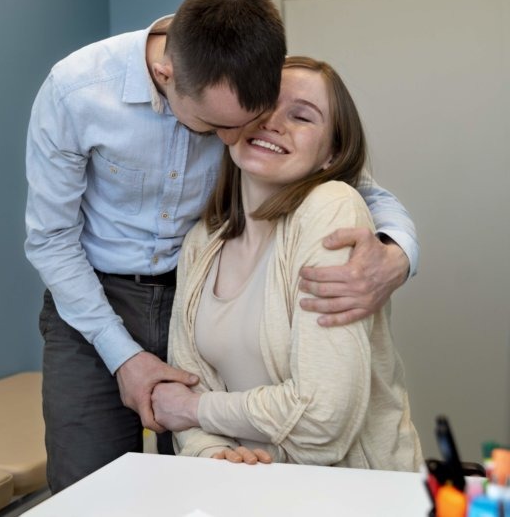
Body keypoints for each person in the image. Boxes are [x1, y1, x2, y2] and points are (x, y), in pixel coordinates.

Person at [24, 0, 420, 491]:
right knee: (89, 487)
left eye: (250, 119)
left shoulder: (251, 83)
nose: (246, 135)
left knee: (189, 490)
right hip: (95, 296)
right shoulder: (76, 92)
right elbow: (51, 239)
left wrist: (397, 254)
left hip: (193, 289)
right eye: (217, 128)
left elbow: (350, 179)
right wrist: (124, 357)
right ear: (166, 76)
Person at [152, 57, 423, 470]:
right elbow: (188, 381)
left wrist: (196, 410)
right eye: (262, 104)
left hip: (356, 496)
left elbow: (322, 423)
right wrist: (210, 450)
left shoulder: (331, 208)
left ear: (331, 154)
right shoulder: (201, 241)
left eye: (302, 117)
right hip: (249, 489)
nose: (272, 122)